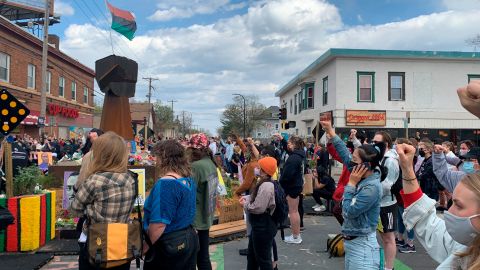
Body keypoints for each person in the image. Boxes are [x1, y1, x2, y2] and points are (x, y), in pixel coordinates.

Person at [397, 143, 480, 269]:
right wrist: (407, 168)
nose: (449, 211)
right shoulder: (467, 246)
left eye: (458, 205)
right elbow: (427, 223)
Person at [320, 120, 384, 270]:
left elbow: (348, 211)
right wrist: (331, 131)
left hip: (363, 246)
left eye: (355, 160)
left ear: (366, 165)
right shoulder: (362, 173)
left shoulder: (371, 187)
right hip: (353, 242)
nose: (351, 163)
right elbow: (344, 153)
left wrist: (351, 185)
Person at [69, 132, 137, 270]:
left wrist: (89, 208)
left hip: (97, 243)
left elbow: (74, 209)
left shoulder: (94, 181)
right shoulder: (131, 179)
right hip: (121, 243)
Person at [143, 140, 199, 270]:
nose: (155, 160)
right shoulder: (187, 179)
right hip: (187, 239)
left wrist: (145, 247)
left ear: (163, 158)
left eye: (156, 156)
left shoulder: (166, 184)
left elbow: (159, 224)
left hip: (168, 244)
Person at [239, 157, 277, 270]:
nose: (257, 169)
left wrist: (245, 205)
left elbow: (258, 208)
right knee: (252, 256)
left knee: (263, 259)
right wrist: (247, 199)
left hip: (263, 226)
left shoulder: (266, 186)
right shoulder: (265, 182)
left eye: (259, 167)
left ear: (264, 170)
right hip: (260, 226)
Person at [188, 133, 218, 270]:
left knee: (193, 257)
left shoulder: (197, 166)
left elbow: (188, 192)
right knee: (203, 256)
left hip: (195, 218)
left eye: (192, 150)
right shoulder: (210, 163)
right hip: (206, 215)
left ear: (197, 150)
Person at [373, 131, 400, 270]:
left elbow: (387, 185)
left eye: (377, 142)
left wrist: (370, 193)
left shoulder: (390, 160)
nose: (374, 145)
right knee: (381, 237)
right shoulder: (378, 157)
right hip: (376, 203)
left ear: (386, 144)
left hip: (387, 204)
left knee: (388, 238)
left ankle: (389, 268)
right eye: (373, 142)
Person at [279, 135, 305, 244]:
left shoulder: (293, 158)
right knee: (295, 211)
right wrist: (282, 140)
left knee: (293, 212)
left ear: (294, 144)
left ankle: (296, 236)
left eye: (289, 143)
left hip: (292, 187)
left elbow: (286, 175)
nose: (288, 145)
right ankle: (296, 235)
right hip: (297, 186)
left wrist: (280, 185)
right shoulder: (299, 155)